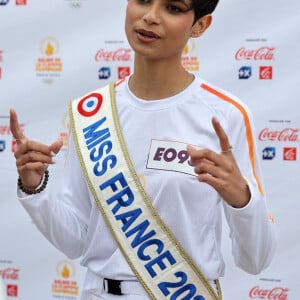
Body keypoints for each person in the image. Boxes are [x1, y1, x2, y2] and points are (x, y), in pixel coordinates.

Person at [10, 0, 276, 299]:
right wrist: (35, 188)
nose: (150, 17)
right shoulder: (91, 113)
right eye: (143, 0)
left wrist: (241, 198)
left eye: (173, 8)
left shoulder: (226, 115)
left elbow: (255, 260)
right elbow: (76, 241)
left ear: (200, 25)